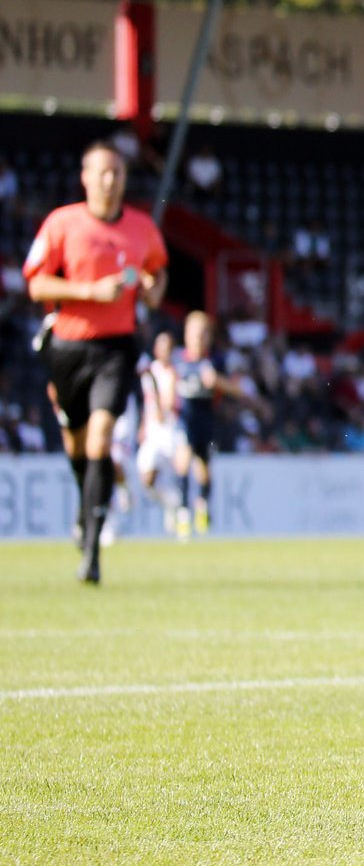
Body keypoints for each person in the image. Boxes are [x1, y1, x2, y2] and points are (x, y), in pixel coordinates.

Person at [23, 142, 168, 583]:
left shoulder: (142, 227)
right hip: (68, 348)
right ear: (85, 177)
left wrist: (152, 289)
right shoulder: (62, 223)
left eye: (118, 173)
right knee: (77, 445)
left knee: (101, 440)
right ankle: (86, 512)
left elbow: (158, 270)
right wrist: (90, 292)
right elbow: (35, 285)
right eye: (103, 172)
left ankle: (93, 548)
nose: (111, 180)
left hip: (117, 347)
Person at [171, 311, 226, 537]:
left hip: (206, 418)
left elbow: (234, 388)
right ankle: (183, 511)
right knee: (183, 460)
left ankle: (202, 504)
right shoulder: (177, 359)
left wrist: (216, 381)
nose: (198, 338)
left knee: (203, 468)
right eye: (194, 332)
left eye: (203, 333)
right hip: (185, 418)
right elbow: (168, 383)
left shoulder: (215, 360)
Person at [134, 330, 186, 537]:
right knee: (147, 479)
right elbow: (145, 403)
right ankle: (171, 501)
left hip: (171, 429)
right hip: (153, 431)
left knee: (179, 471)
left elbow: (168, 403)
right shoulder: (149, 371)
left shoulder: (174, 372)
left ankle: (183, 514)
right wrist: (143, 425)